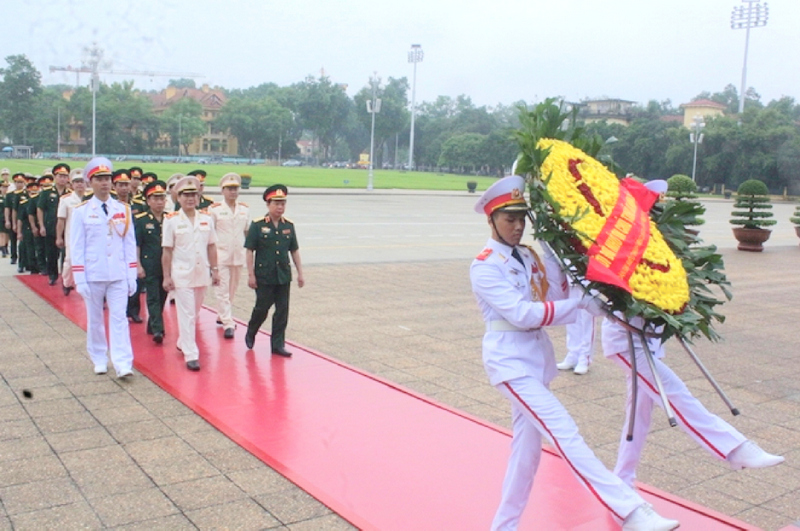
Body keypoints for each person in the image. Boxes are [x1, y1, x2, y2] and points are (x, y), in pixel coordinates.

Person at [470, 175, 679, 531]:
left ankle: (502, 527)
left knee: (526, 454)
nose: (518, 226)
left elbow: (552, 293)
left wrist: (557, 252)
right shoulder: (485, 266)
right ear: (491, 220)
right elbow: (523, 314)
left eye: (522, 218)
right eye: (509, 219)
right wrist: (580, 305)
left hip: (535, 360)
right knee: (565, 431)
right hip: (510, 363)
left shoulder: (528, 256)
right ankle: (629, 510)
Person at [602, 179, 784, 488]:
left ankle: (623, 477)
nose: (659, 209)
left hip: (650, 341)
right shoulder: (619, 246)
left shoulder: (656, 242)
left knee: (638, 415)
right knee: (675, 392)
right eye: (653, 205)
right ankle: (733, 448)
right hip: (627, 343)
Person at [70, 157, 138, 378]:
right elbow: (77, 246)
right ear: (91, 182)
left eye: (107, 178)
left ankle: (122, 363)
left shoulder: (123, 209)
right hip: (94, 273)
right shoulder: (82, 211)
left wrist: (131, 275)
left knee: (119, 318)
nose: (105, 183)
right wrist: (79, 278)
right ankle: (99, 358)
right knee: (96, 319)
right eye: (99, 179)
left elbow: (129, 244)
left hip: (118, 273)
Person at [162, 176, 220, 371]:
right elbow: (167, 251)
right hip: (181, 274)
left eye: (193, 195)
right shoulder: (170, 221)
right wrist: (167, 276)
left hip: (201, 272)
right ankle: (191, 353)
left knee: (194, 313)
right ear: (178, 198)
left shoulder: (206, 218)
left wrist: (215, 269)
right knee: (185, 313)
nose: (190, 198)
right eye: (186, 195)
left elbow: (211, 246)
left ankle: (182, 341)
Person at [244, 184, 305, 356]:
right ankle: (251, 330)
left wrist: (300, 273)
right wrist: (251, 275)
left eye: (283, 203)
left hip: (283, 275)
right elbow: (249, 251)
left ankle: (277, 344)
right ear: (268, 204)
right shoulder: (257, 225)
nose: (280, 207)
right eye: (276, 203)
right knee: (262, 308)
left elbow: (294, 250)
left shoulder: (289, 226)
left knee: (282, 311)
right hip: (264, 275)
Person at [208, 173, 250, 338]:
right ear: (222, 190)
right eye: (229, 189)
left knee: (232, 289)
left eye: (235, 189)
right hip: (221, 255)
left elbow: (247, 231)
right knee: (222, 289)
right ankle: (228, 322)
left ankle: (222, 315)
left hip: (238, 255)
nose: (233, 192)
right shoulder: (215, 209)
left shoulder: (244, 209)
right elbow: (209, 235)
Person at [135, 180, 169, 344]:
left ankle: (152, 324)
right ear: (148, 201)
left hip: (166, 266)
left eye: (162, 198)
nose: (159, 202)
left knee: (163, 296)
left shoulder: (170, 219)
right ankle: (158, 329)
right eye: (155, 198)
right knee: (153, 297)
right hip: (149, 264)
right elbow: (137, 245)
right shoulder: (141, 220)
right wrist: (138, 265)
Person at [37, 163, 71, 285]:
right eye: (60, 176)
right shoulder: (46, 193)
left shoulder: (70, 193)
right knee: (51, 254)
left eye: (65, 176)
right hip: (50, 226)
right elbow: (40, 209)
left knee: (66, 254)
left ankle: (65, 278)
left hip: (67, 228)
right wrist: (41, 225)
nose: (62, 179)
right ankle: (53, 275)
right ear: (55, 177)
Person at [56, 169, 87, 295]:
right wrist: (59, 237)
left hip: (88, 236)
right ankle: (67, 283)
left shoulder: (91, 198)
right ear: (72, 184)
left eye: (82, 182)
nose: (80, 184)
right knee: (69, 261)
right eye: (76, 182)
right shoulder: (66, 199)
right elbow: (61, 220)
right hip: (71, 236)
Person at [556, 283, 596, 375]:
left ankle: (585, 357)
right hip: (570, 276)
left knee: (587, 316)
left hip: (587, 278)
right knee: (572, 312)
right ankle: (573, 354)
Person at [4, 173, 26, 265]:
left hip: (23, 221)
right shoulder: (10, 195)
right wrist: (8, 221)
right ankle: (13, 257)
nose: (19, 184)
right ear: (14, 183)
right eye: (17, 182)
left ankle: (23, 259)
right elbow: (7, 208)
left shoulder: (26, 194)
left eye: (21, 182)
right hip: (13, 219)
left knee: (23, 242)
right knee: (13, 240)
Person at [0, 180, 8, 257]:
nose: (5, 189)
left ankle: (5, 246)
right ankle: (3, 249)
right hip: (1, 217)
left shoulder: (8, 197)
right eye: (3, 187)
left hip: (7, 218)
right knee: (2, 234)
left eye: (6, 187)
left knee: (6, 234)